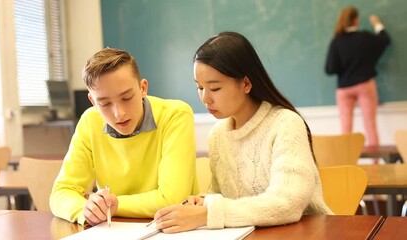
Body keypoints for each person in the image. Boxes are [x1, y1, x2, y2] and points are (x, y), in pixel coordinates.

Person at [153, 32, 333, 233]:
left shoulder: (285, 124)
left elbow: (287, 203)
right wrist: (205, 202)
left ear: (246, 83)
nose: (205, 99)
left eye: (215, 88)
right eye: (199, 87)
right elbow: (224, 197)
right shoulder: (218, 135)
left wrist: (208, 213)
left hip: (306, 233)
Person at [50, 48, 198, 226]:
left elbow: (171, 198)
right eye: (104, 103)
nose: (119, 114)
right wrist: (85, 209)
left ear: (143, 88)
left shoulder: (175, 115)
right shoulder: (90, 122)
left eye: (126, 98)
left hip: (172, 229)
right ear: (92, 101)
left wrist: (112, 205)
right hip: (114, 230)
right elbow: (61, 192)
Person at [325, 6, 391, 153]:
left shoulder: (337, 41)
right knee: (370, 126)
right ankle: (376, 167)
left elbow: (330, 69)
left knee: (346, 129)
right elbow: (385, 39)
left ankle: (347, 165)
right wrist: (377, 24)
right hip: (365, 85)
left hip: (344, 89)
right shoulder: (365, 38)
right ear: (356, 20)